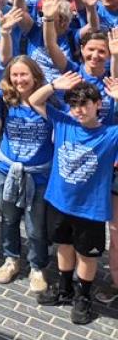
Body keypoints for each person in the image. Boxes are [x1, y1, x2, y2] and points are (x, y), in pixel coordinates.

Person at [36, 77, 118, 326]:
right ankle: (65, 288)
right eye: (73, 105)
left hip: (90, 209)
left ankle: (82, 297)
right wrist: (53, 86)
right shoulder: (64, 122)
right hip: (59, 201)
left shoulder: (110, 134)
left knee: (87, 255)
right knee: (63, 245)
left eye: (84, 104)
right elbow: (34, 100)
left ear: (98, 104)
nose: (78, 110)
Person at [0, 51, 54, 293]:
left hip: (38, 175)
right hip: (6, 171)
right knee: (9, 220)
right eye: (14, 75)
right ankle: (11, 260)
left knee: (35, 226)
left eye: (24, 75)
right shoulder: (6, 100)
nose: (19, 80)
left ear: (35, 76)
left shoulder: (50, 103)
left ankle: (37, 267)